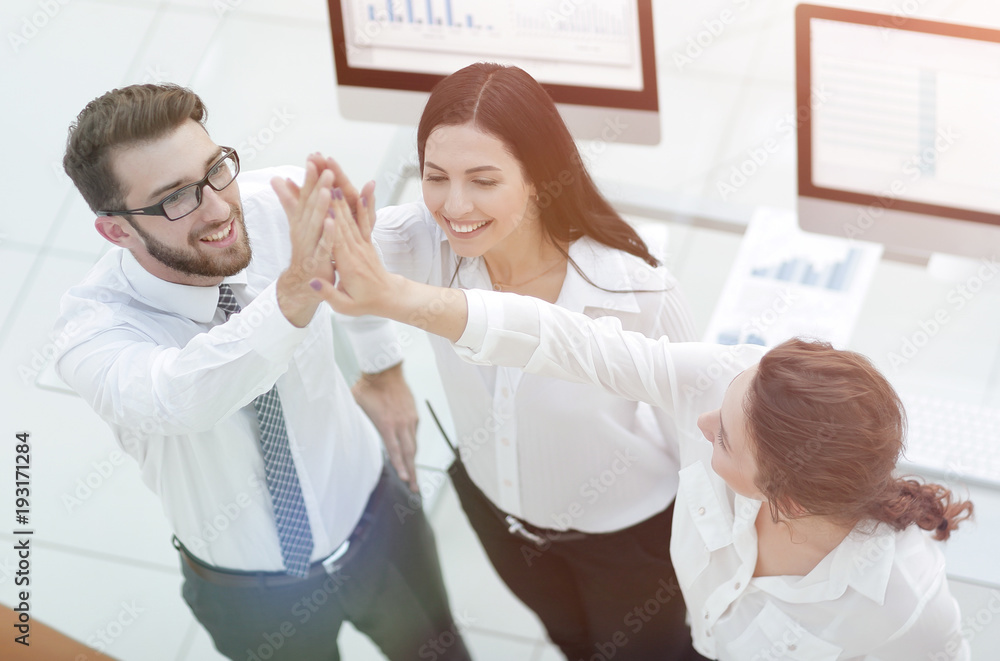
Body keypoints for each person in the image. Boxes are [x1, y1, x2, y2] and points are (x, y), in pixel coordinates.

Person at [314, 188, 974, 660]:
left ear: (788, 499)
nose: (703, 418)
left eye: (722, 437)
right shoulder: (725, 383)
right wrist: (400, 297)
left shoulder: (904, 607)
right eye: (730, 397)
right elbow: (568, 341)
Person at [54, 83, 469, 661]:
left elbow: (360, 257)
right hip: (248, 591)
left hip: (376, 522)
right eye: (176, 198)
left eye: (216, 169)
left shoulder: (275, 204)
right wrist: (296, 291)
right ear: (117, 230)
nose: (220, 208)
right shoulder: (92, 334)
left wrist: (382, 365)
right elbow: (182, 397)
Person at [341, 62, 700, 660]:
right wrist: (381, 369)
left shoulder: (635, 290)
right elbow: (341, 270)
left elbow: (698, 438)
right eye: (436, 177)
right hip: (500, 517)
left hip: (627, 535)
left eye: (483, 180)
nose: (454, 205)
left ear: (538, 177)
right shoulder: (423, 243)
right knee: (572, 643)